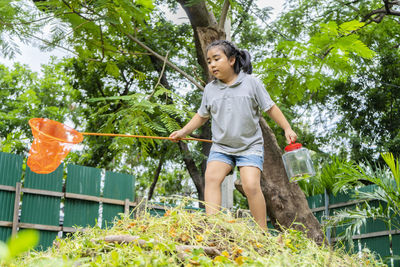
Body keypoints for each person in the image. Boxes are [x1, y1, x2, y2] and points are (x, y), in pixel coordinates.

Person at [169, 40, 297, 230]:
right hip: (222, 146)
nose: (211, 64)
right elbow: (201, 116)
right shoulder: (210, 90)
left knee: (251, 185)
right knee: (211, 178)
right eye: (208, 61)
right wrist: (183, 131)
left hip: (249, 146)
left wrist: (287, 128)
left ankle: (261, 232)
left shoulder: (251, 83)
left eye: (216, 59)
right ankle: (213, 228)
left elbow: (270, 108)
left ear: (231, 60)